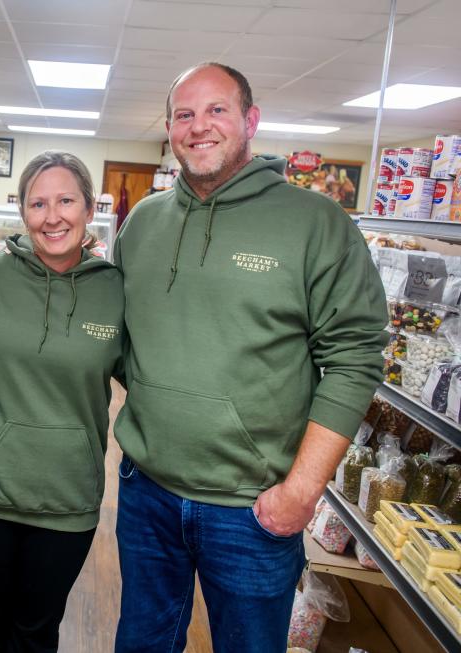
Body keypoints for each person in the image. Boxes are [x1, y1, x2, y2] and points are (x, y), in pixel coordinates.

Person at [113, 62, 388, 652]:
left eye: (217, 110)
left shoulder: (317, 223)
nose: (199, 126)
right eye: (185, 114)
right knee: (141, 642)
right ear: (169, 128)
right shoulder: (142, 222)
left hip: (252, 507)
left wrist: (303, 490)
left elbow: (356, 357)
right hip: (147, 492)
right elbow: (123, 335)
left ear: (251, 121)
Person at [0, 151, 125, 652]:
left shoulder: (115, 292)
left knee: (37, 633)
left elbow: (149, 378)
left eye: (66, 200)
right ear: (22, 211)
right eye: (37, 203)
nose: (52, 216)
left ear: (89, 208)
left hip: (67, 504)